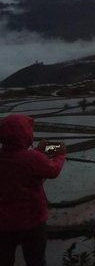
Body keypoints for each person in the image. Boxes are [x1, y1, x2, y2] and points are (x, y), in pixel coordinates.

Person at [0, 114, 66, 266]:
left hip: (4, 223)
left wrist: (38, 151)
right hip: (32, 221)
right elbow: (53, 170)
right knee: (36, 260)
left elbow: (19, 161)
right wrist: (60, 154)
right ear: (26, 134)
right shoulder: (32, 158)